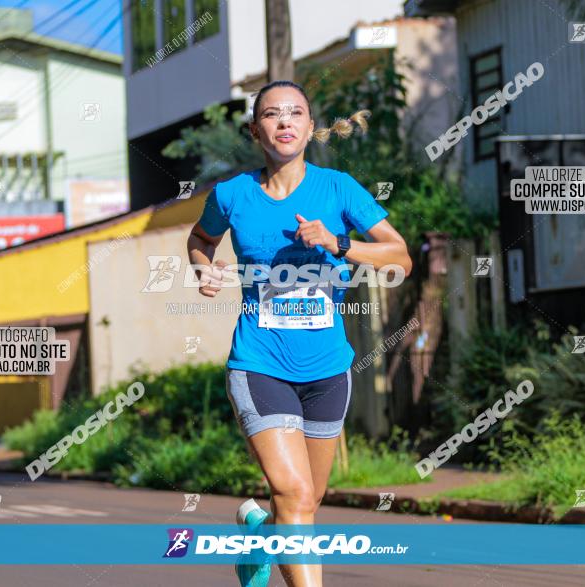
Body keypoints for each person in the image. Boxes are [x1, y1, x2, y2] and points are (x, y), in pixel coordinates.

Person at [186, 80, 412, 587]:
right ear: (255, 130)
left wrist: (338, 242)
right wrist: (203, 267)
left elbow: (400, 256)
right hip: (259, 362)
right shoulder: (232, 195)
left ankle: (258, 537)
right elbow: (200, 239)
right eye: (272, 114)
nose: (284, 121)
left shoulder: (338, 189)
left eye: (295, 113)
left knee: (306, 501)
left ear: (310, 128)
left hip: (328, 368)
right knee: (291, 491)